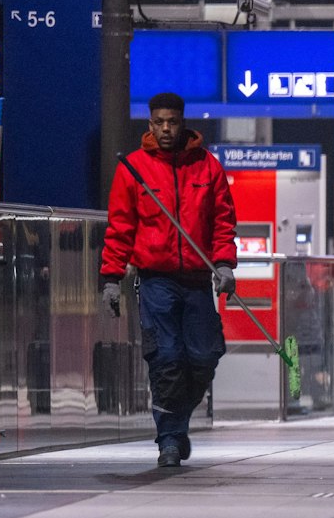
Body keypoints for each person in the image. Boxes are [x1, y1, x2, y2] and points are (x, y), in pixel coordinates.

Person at [99, 91, 238, 468]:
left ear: (182, 122)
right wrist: (111, 278)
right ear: (150, 124)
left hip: (197, 280)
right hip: (156, 281)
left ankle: (177, 422)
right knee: (167, 360)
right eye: (158, 122)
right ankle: (170, 440)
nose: (165, 128)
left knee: (205, 356)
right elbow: (120, 227)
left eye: (172, 122)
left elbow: (222, 222)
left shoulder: (208, 168)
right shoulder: (133, 168)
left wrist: (224, 264)